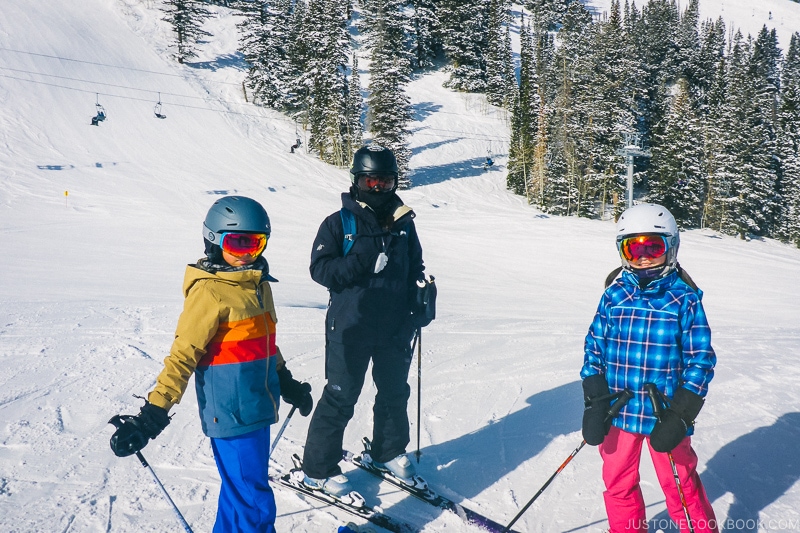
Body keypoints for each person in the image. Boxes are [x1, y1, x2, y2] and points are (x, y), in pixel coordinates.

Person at [109, 196, 314, 533]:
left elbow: (262, 345)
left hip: (259, 408)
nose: (248, 253)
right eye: (238, 243)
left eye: (256, 243)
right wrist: (152, 415)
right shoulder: (210, 292)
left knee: (240, 495)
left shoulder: (258, 286)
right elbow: (182, 356)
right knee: (254, 501)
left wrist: (286, 381)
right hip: (233, 415)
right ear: (214, 241)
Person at [581, 203, 719, 533]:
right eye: (634, 247)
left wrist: (682, 412)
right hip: (619, 409)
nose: (642, 256)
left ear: (670, 248)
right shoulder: (614, 295)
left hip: (665, 414)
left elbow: (701, 359)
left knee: (681, 486)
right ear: (622, 251)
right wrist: (595, 397)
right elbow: (594, 345)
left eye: (652, 247)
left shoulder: (684, 299)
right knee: (617, 482)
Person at [301, 144, 429, 498]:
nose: (379, 188)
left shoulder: (404, 223)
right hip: (350, 326)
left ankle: (386, 452)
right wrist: (360, 264)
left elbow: (414, 267)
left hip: (394, 327)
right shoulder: (339, 223)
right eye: (372, 180)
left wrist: (421, 296)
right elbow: (320, 269)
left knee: (393, 393)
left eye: (386, 182)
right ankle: (318, 470)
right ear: (357, 180)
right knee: (341, 397)